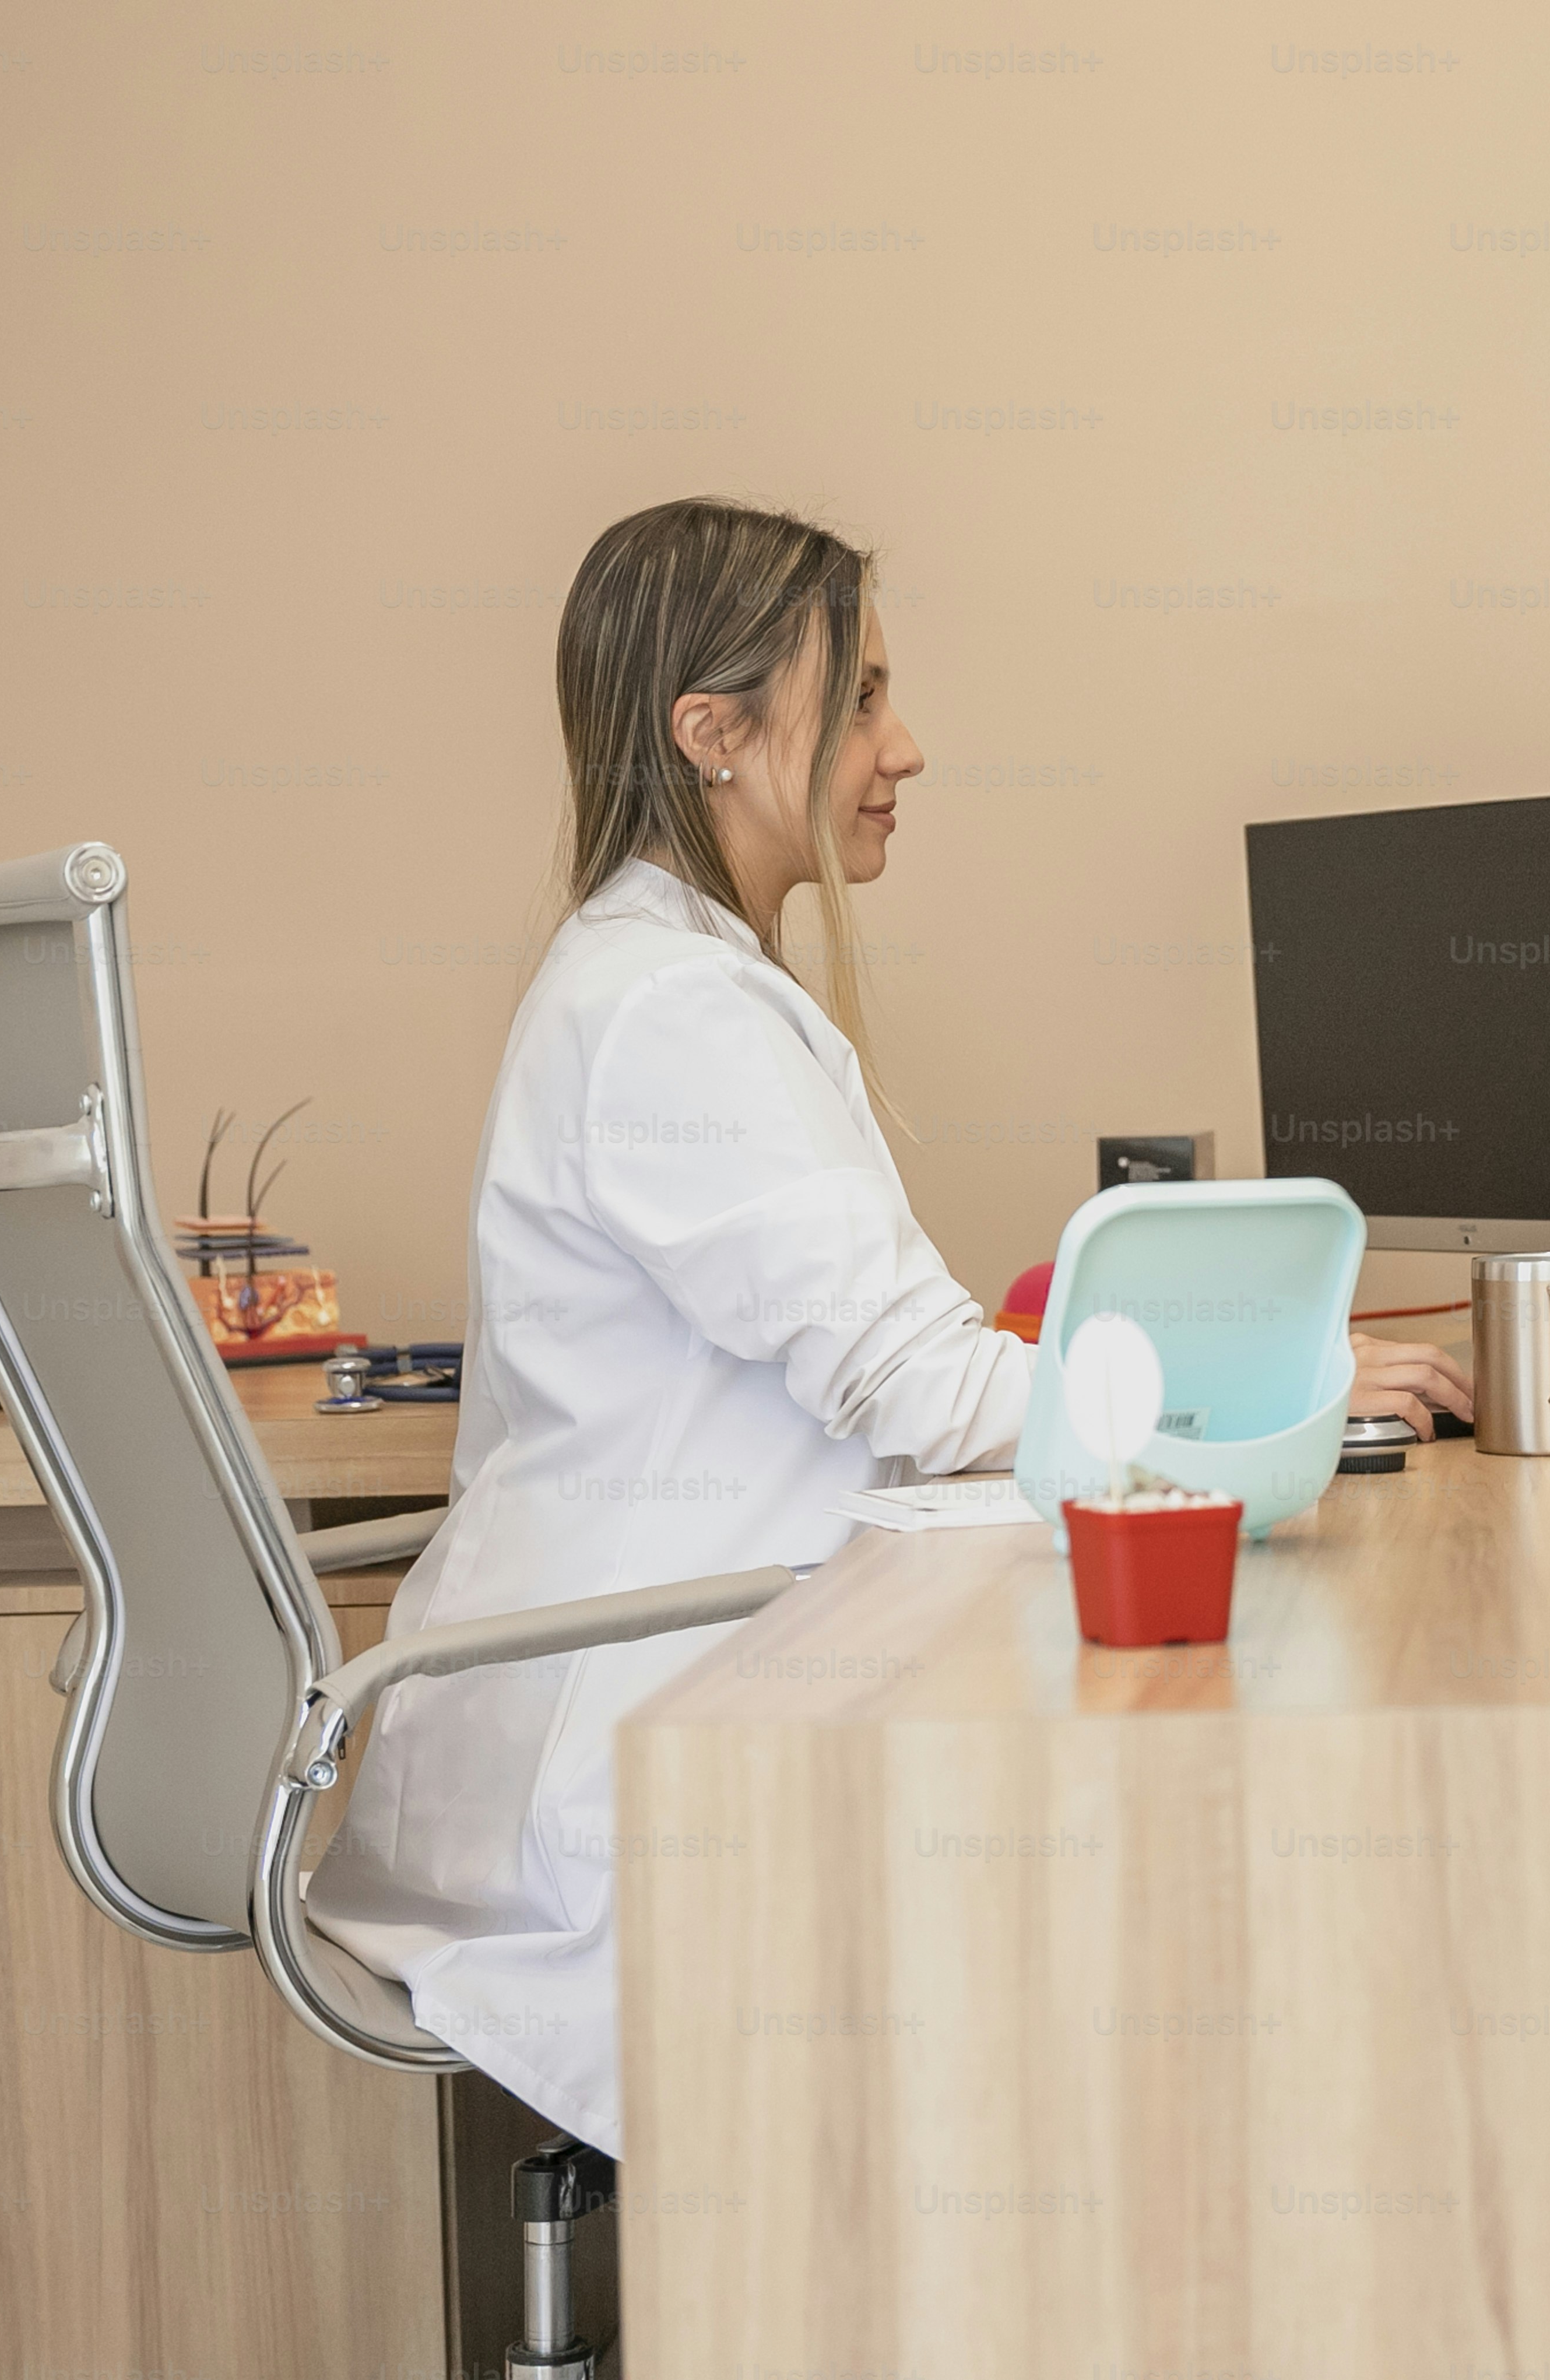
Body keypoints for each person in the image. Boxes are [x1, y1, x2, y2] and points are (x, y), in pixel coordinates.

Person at [308, 498, 1471, 2151]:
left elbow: (873, 1351)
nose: (901, 746)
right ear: (709, 734)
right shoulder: (669, 1010)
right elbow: (917, 1380)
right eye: (854, 697)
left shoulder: (671, 978)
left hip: (670, 1682)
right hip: (637, 1767)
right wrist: (1289, 1383)